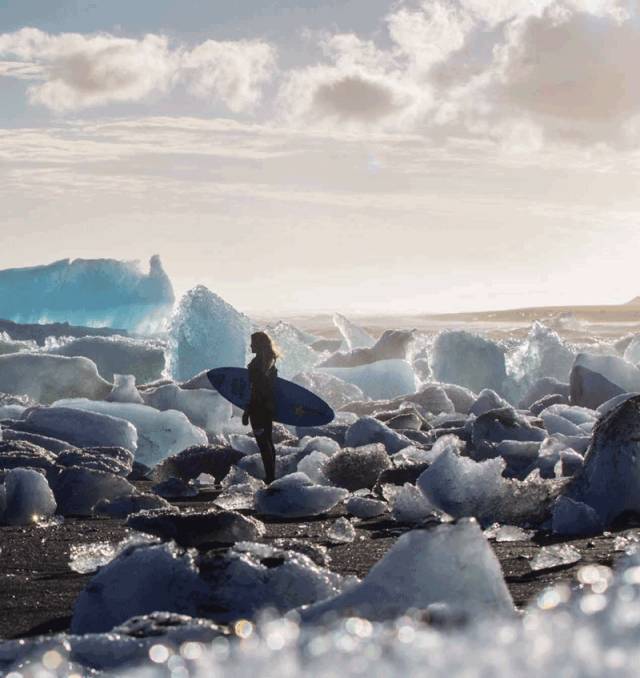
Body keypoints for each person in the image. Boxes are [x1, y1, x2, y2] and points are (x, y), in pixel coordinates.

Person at [242, 331, 278, 483]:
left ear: (258, 344)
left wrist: (247, 411)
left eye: (252, 343)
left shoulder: (257, 365)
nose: (250, 345)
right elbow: (268, 388)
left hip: (258, 409)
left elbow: (257, 390)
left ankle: (270, 477)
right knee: (268, 442)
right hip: (267, 409)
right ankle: (271, 475)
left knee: (263, 443)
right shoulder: (270, 362)